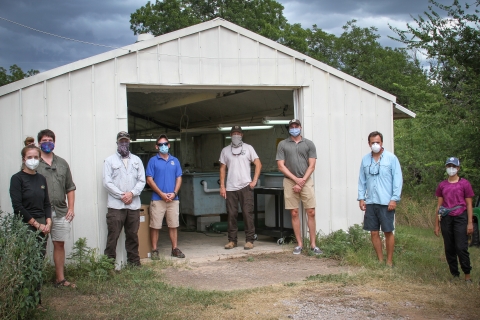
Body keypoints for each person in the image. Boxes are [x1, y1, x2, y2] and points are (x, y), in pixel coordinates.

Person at [10, 144, 52, 307]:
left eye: (36, 157)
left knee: (38, 263)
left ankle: (36, 300)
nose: (33, 160)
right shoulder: (17, 179)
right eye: (30, 157)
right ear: (23, 159)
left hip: (42, 225)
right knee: (27, 262)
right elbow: (18, 206)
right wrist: (37, 225)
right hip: (26, 225)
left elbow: (46, 203)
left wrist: (48, 221)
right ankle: (23, 301)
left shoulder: (41, 179)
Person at [36, 129, 77, 288]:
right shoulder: (34, 162)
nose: (47, 143)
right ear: (39, 142)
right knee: (38, 245)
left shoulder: (62, 163)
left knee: (59, 244)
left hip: (60, 211)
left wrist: (71, 208)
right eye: (44, 140)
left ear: (54, 142)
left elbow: (70, 187)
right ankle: (35, 281)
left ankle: (60, 279)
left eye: (50, 140)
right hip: (40, 212)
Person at [276, 119, 322, 255]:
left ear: (300, 127)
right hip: (290, 181)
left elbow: (312, 165)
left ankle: (313, 244)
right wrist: (295, 180)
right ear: (289, 128)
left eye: (296, 126)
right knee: (294, 212)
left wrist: (301, 181)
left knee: (311, 212)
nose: (294, 128)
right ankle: (299, 244)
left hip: (305, 180)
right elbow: (280, 165)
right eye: (292, 126)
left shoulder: (308, 144)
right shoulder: (282, 144)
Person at [358, 131, 402, 267]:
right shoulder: (365, 160)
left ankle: (389, 261)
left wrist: (394, 199)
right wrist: (361, 198)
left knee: (388, 231)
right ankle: (380, 260)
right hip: (371, 201)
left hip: (386, 201)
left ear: (382, 143)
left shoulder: (391, 158)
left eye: (377, 142)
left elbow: (398, 179)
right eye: (373, 143)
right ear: (369, 144)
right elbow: (361, 180)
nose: (375, 145)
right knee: (374, 231)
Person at [103, 131, 146, 267]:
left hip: (133, 206)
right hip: (116, 206)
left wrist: (131, 194)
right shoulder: (109, 161)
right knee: (113, 236)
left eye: (126, 141)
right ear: (117, 143)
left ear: (129, 142)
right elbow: (107, 182)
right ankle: (108, 266)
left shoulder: (137, 161)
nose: (123, 144)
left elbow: (142, 180)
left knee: (133, 236)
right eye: (121, 141)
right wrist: (122, 195)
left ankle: (134, 264)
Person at [219, 125, 262, 250]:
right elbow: (222, 168)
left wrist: (254, 180)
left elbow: (258, 163)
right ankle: (232, 240)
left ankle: (249, 240)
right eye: (234, 133)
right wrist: (222, 186)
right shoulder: (225, 150)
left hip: (245, 186)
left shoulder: (248, 148)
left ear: (242, 135)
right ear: (230, 135)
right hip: (230, 187)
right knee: (231, 214)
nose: (236, 135)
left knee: (247, 213)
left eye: (238, 133)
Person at [434, 157, 474, 282]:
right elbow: (439, 206)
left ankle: (467, 274)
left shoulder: (464, 184)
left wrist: (470, 223)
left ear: (458, 168)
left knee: (461, 247)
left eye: (453, 166)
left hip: (460, 217)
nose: (451, 169)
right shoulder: (442, 185)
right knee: (449, 247)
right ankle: (455, 274)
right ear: (446, 168)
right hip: (446, 217)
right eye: (449, 166)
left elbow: (468, 204)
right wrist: (436, 224)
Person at [146, 134, 184, 259]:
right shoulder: (153, 161)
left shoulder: (175, 161)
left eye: (165, 144)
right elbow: (149, 179)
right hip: (158, 199)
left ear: (169, 145)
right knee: (155, 225)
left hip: (173, 199)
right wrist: (161, 194)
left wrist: (174, 193)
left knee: (173, 224)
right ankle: (155, 250)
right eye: (161, 145)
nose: (163, 146)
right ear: (156, 146)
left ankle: (175, 249)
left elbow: (179, 177)